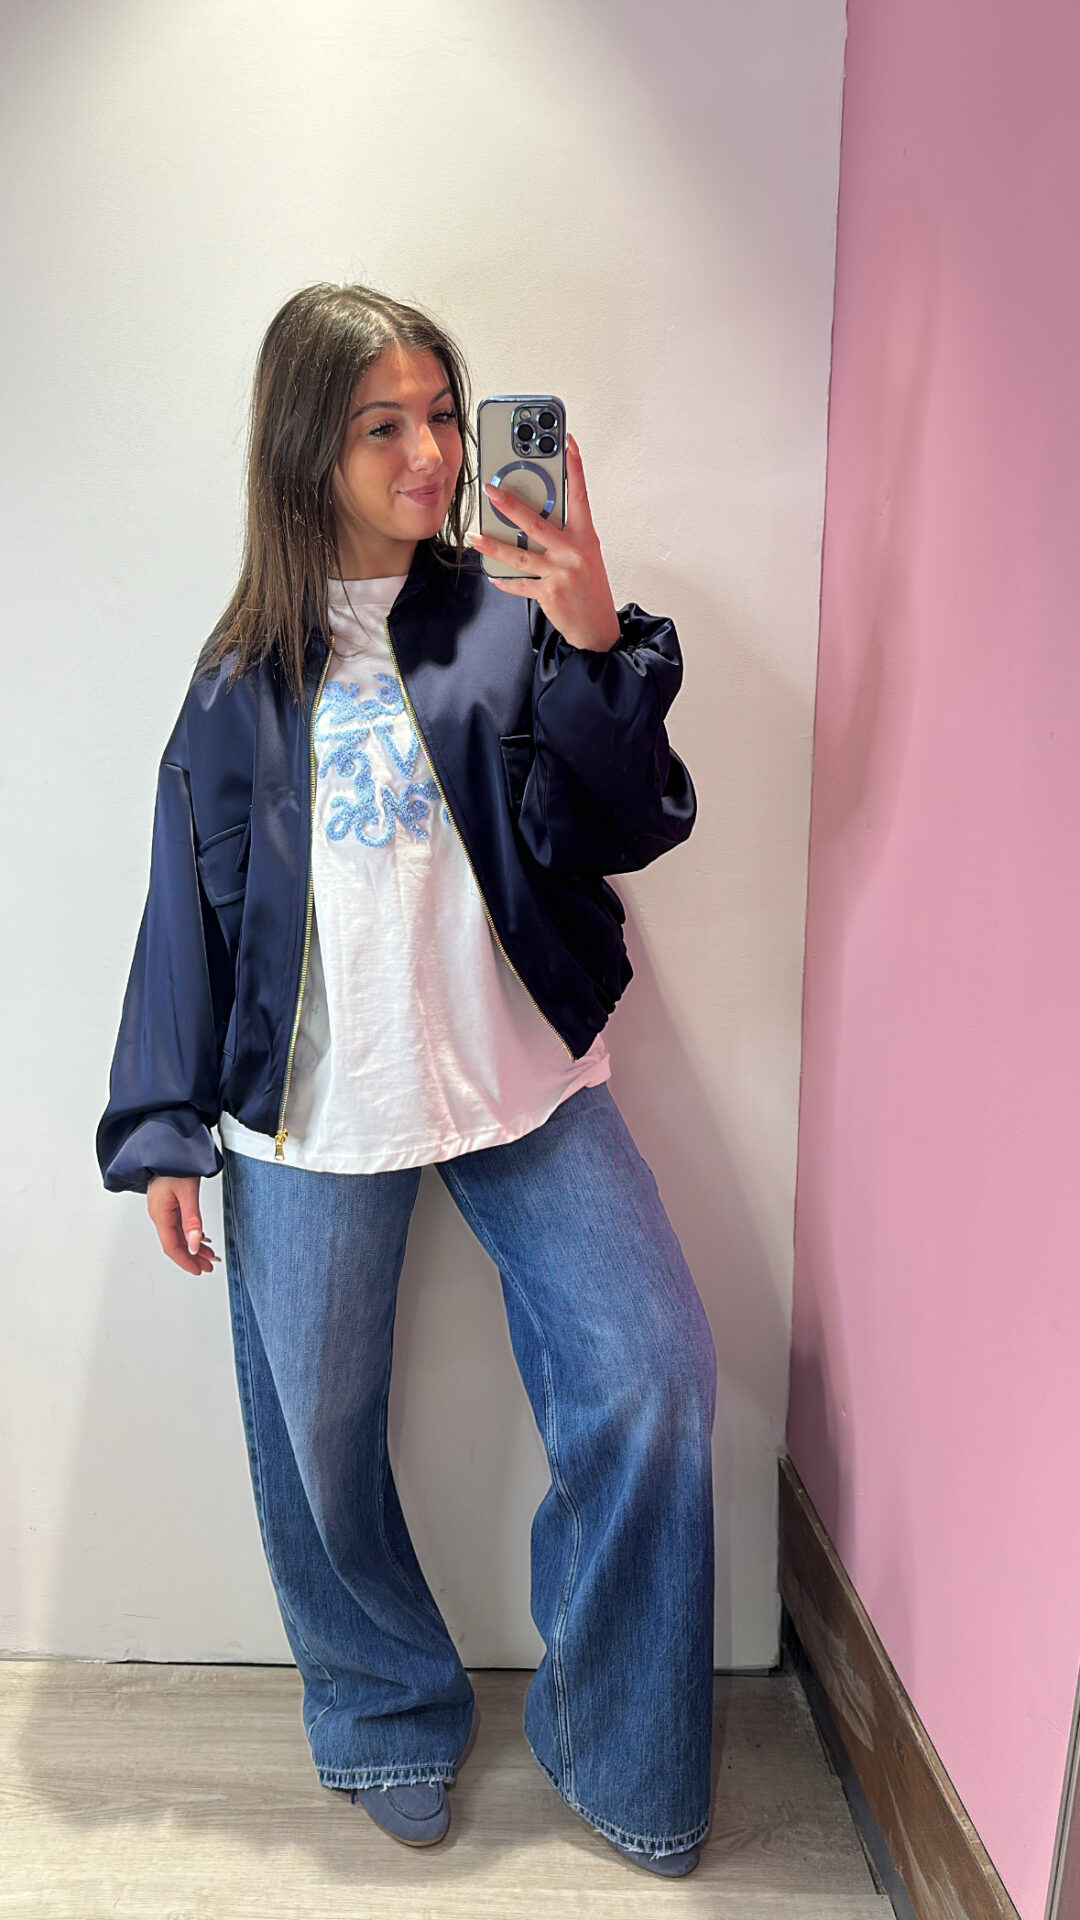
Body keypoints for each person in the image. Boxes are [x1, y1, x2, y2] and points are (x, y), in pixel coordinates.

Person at [95, 283, 717, 1878]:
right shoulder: (240, 679)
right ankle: (381, 1708)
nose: (433, 453)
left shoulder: (502, 617)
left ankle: (620, 1743)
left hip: (526, 1078)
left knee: (653, 1371)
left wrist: (593, 634)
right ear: (307, 446)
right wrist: (162, 1127)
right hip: (310, 1110)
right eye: (386, 425)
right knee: (316, 1434)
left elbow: (625, 821)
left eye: (444, 414)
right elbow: (185, 901)